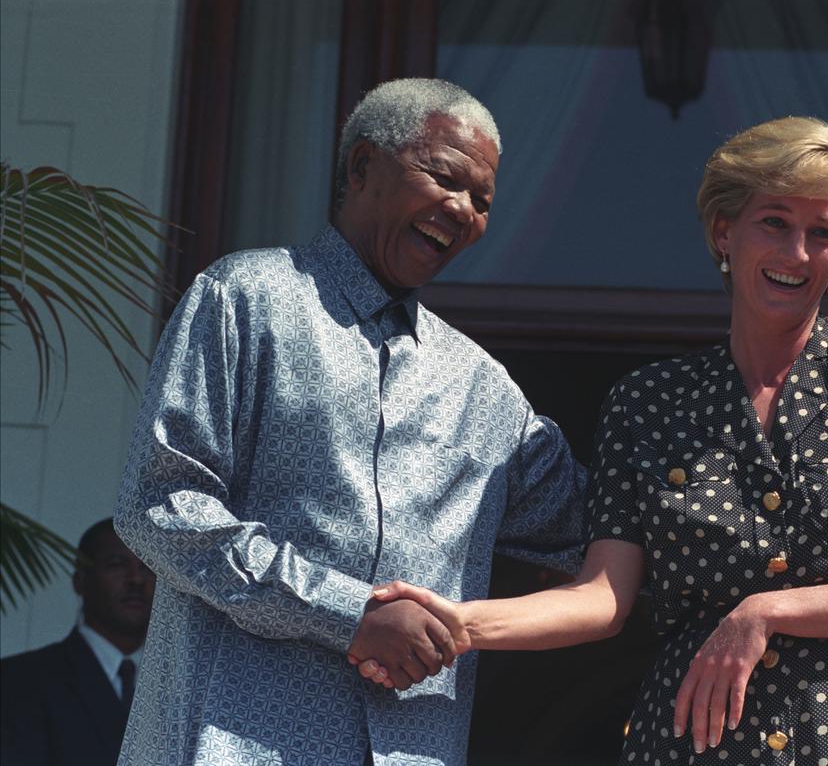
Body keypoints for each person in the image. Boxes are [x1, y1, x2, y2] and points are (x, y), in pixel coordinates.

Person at [362, 116, 828, 765]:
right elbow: (604, 596)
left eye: (822, 234)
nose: (797, 253)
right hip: (693, 742)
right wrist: (461, 625)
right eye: (775, 221)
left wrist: (766, 611)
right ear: (726, 232)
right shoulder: (648, 401)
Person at [113, 78, 584, 766]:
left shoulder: (485, 391)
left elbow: (607, 531)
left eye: (482, 201)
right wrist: (348, 613)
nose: (462, 209)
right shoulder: (248, 298)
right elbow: (159, 507)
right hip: (229, 742)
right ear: (363, 166)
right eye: (445, 178)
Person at [1, 518, 156, 766]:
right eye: (117, 564)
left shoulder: (177, 690)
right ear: (80, 581)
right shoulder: (18, 680)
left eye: (148, 566)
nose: (136, 579)